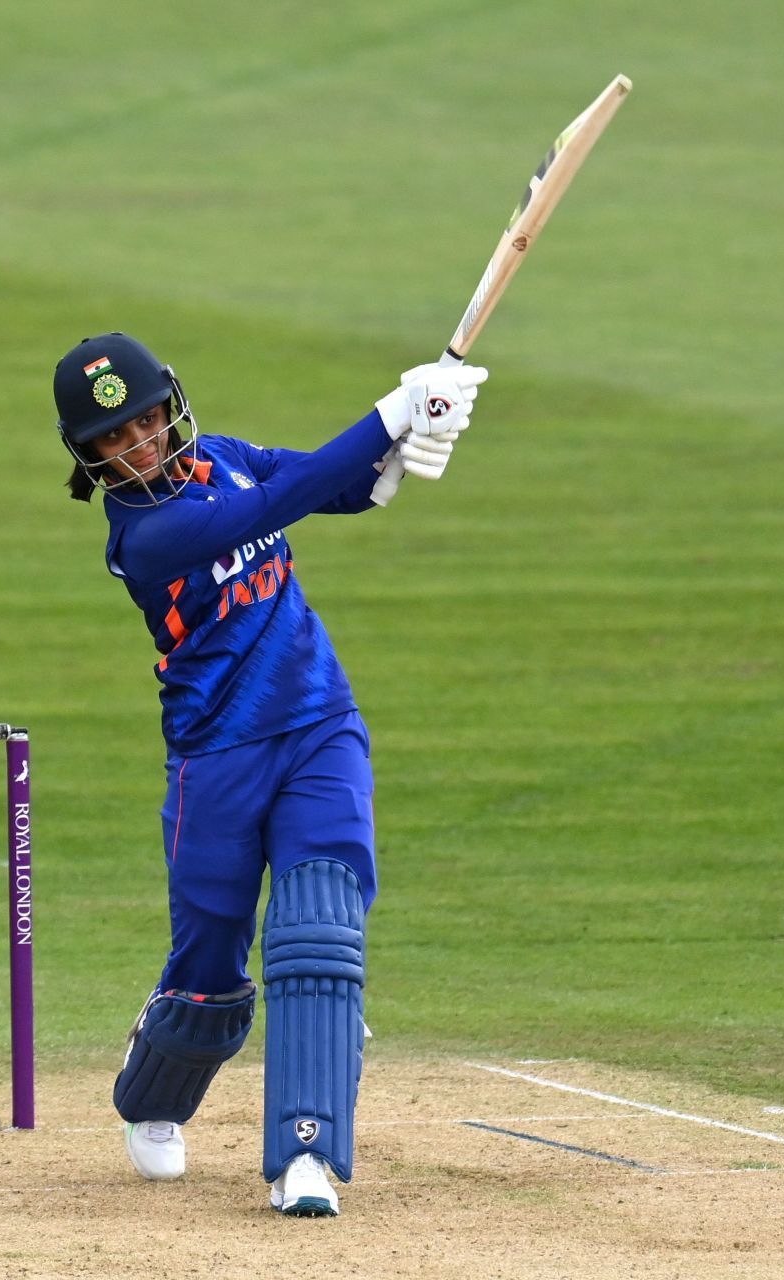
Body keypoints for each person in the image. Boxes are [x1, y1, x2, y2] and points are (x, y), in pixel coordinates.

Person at [52, 332, 486, 1216]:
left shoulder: (225, 460)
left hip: (319, 721)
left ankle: (305, 1157)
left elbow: (340, 488)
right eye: (113, 440)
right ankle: (155, 1095)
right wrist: (393, 411)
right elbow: (284, 499)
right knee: (211, 969)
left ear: (170, 406)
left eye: (144, 422)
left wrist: (415, 441)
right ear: (91, 459)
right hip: (216, 759)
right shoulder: (147, 535)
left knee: (319, 927)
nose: (138, 445)